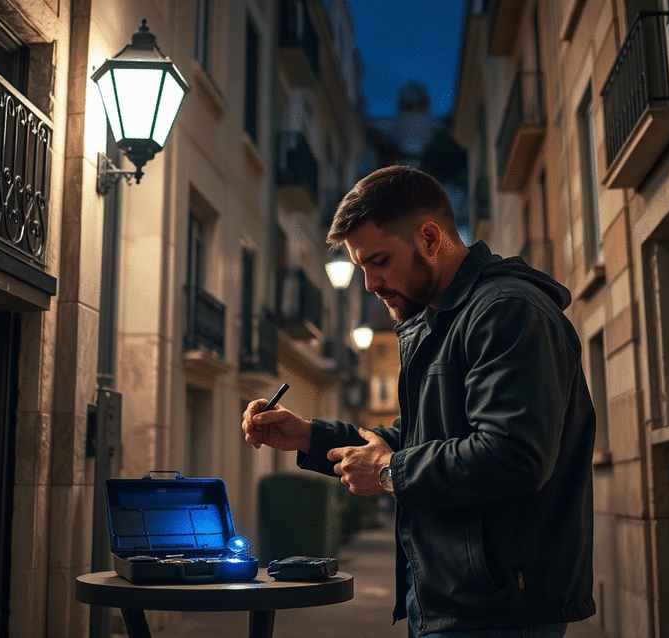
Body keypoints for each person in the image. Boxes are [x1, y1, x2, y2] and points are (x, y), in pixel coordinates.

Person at [242, 165, 596, 637]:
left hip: (500, 610)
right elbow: (415, 437)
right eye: (361, 267)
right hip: (447, 599)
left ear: (430, 238)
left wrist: (391, 473)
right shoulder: (436, 321)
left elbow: (514, 455)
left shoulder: (507, 312)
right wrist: (308, 435)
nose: (369, 284)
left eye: (379, 261)